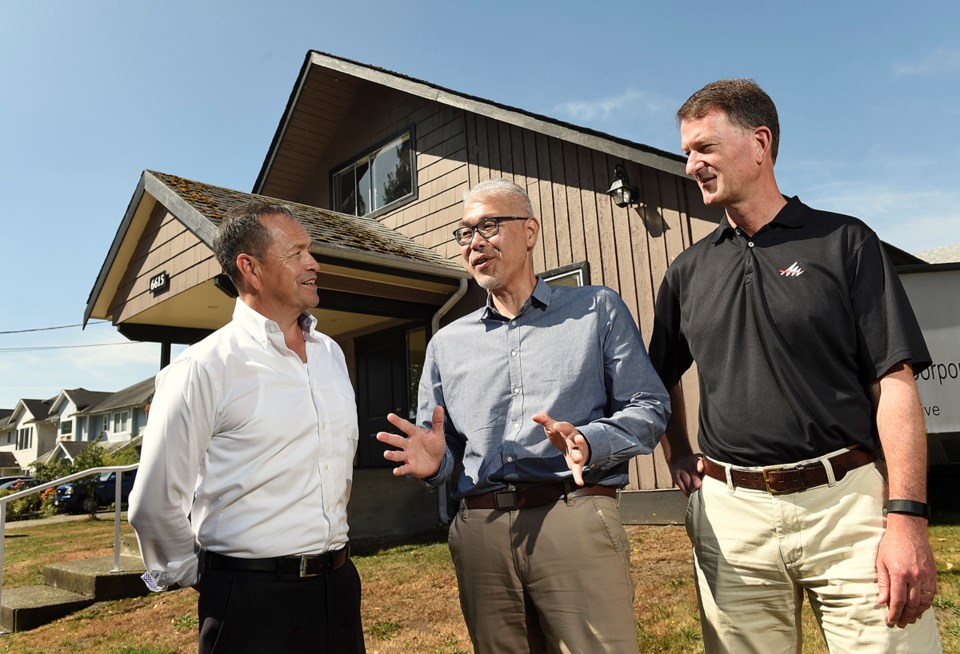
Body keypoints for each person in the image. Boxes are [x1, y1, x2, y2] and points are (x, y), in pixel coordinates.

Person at [649, 79, 942, 652]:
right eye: (687, 151)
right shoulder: (687, 273)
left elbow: (896, 383)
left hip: (848, 505)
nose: (691, 165)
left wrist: (907, 517)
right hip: (732, 516)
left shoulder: (845, 242)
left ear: (759, 143)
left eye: (704, 147)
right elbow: (656, 378)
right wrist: (678, 453)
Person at [376, 178, 670, 654]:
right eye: (464, 232)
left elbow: (649, 407)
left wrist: (591, 441)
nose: (474, 242)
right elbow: (444, 443)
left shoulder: (597, 310)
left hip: (571, 517)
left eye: (488, 225)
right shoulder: (446, 343)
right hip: (481, 532)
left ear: (530, 230)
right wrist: (437, 465)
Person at [129, 201, 365, 654]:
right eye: (297, 253)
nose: (313, 263)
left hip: (339, 587)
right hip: (251, 602)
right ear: (250, 269)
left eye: (310, 251)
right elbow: (154, 501)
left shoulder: (331, 354)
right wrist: (205, 576)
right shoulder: (203, 367)